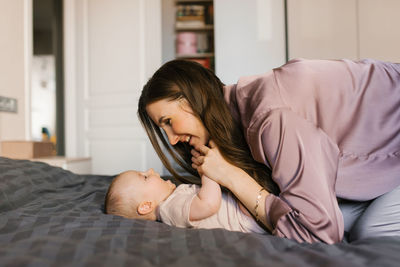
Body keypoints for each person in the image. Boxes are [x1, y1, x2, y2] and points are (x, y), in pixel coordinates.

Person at [138, 58, 400, 244]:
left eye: (168, 122)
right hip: (382, 148)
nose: (172, 140)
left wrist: (232, 176)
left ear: (193, 98)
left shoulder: (271, 119)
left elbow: (316, 234)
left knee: (373, 232)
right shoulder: (241, 105)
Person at [104, 168, 266, 234]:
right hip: (244, 217)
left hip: (241, 206)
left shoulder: (172, 198)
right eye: (145, 177)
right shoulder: (170, 209)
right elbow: (208, 204)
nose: (151, 171)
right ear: (146, 206)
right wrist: (208, 172)